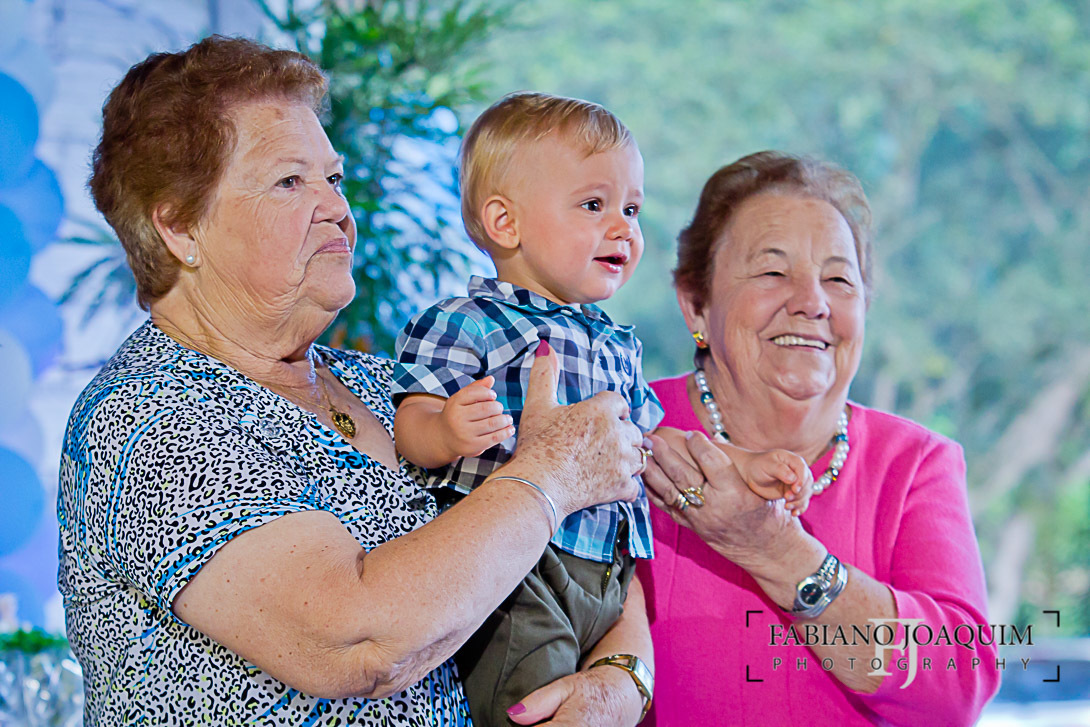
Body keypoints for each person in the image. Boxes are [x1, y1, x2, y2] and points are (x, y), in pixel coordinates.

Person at [57, 36, 654, 726]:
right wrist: (552, 475)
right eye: (291, 182)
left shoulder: (385, 382)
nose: (338, 208)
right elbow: (358, 642)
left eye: (334, 180)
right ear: (181, 226)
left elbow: (593, 548)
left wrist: (621, 682)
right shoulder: (149, 418)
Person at [391, 94, 811, 727]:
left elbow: (654, 443)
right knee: (529, 700)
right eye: (594, 206)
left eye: (631, 209)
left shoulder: (614, 343)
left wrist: (742, 464)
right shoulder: (467, 322)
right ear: (505, 222)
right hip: (519, 572)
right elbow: (409, 425)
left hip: (608, 572)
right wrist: (446, 430)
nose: (623, 228)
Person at [637, 151, 1001, 726]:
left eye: (838, 279)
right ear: (696, 305)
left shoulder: (915, 463)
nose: (813, 303)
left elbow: (958, 682)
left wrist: (775, 550)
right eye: (772, 272)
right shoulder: (630, 429)